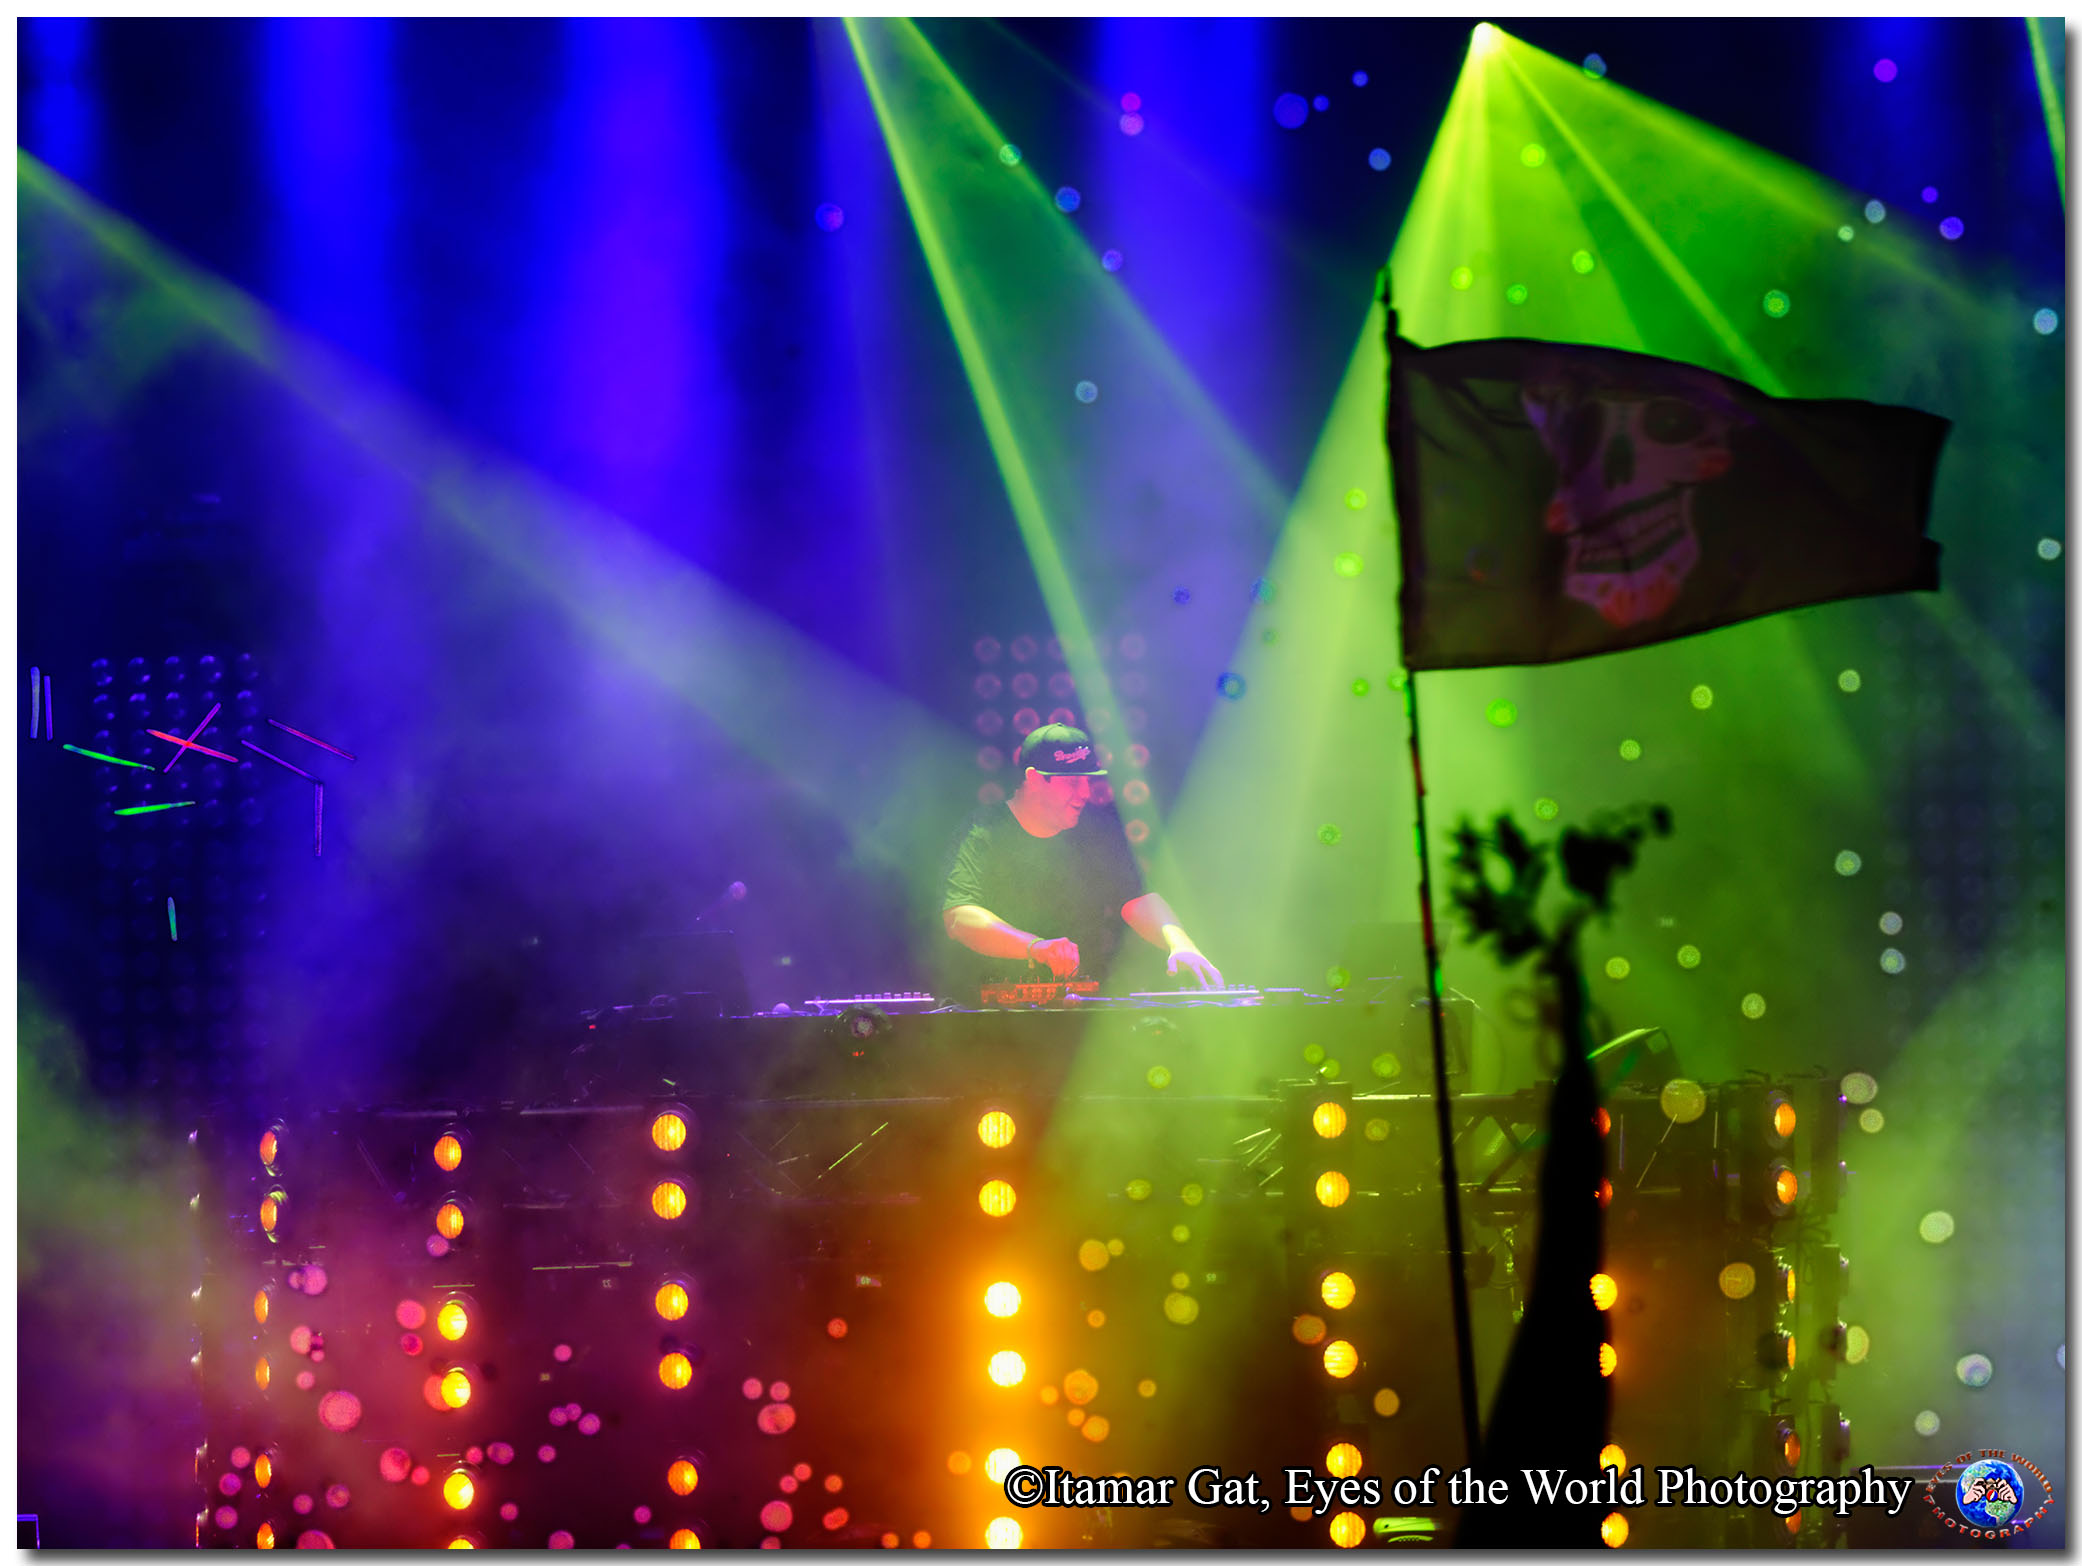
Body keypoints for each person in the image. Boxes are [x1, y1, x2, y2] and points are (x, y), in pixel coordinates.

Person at [940, 722, 1223, 994]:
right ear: (1034, 779)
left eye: (1087, 781)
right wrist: (1035, 948)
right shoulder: (983, 832)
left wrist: (1180, 943)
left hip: (1082, 1007)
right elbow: (959, 917)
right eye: (1073, 782)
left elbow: (1137, 899)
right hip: (994, 1012)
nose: (1085, 793)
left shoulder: (1098, 832)